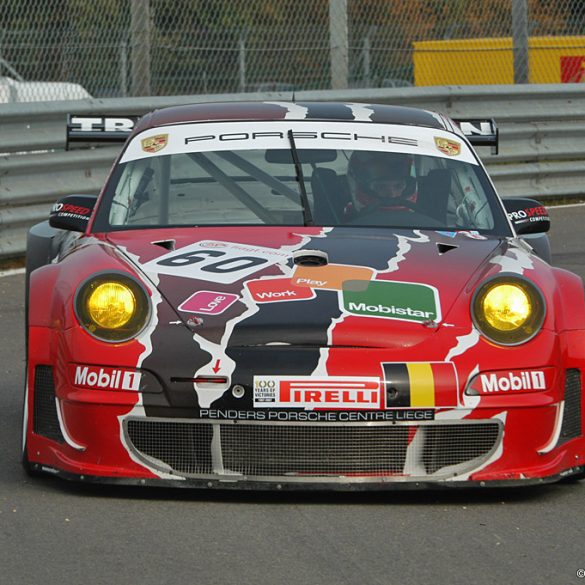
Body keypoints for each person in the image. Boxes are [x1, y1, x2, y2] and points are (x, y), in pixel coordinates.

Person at [346, 151, 416, 217]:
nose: (391, 195)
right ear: (364, 189)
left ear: (408, 187)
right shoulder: (346, 221)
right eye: (381, 187)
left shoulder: (423, 219)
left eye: (398, 186)